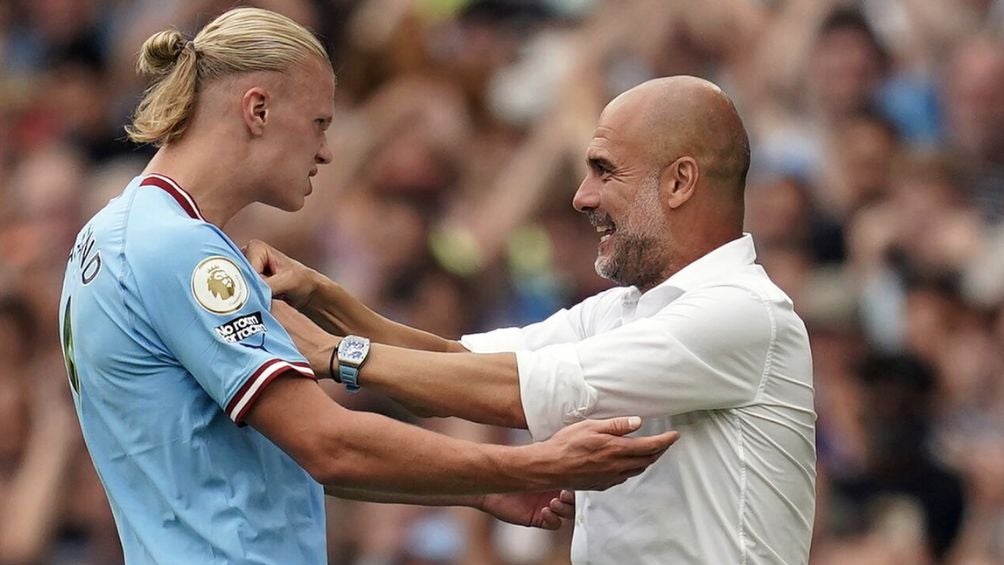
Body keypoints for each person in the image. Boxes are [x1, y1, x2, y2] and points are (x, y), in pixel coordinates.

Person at [57, 8, 680, 564]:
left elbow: (299, 457)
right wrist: (530, 462)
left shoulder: (110, 233)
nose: (328, 151)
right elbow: (329, 444)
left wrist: (484, 485)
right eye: (320, 122)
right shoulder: (181, 250)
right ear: (258, 110)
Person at [252, 75, 817, 564]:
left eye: (603, 171)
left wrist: (337, 355)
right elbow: (453, 366)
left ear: (679, 181)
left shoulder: (741, 312)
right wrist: (322, 295)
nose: (582, 197)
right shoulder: (622, 310)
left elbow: (516, 392)